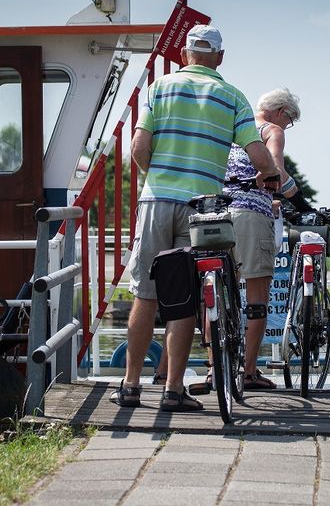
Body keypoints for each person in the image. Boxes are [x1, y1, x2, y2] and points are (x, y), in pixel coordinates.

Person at [111, 25, 279, 412]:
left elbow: (139, 146)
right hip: (201, 208)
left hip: (155, 199)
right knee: (184, 295)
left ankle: (131, 385)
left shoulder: (159, 88)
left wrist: (157, 176)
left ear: (186, 54)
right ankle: (173, 390)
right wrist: (268, 174)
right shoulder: (232, 97)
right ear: (219, 57)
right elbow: (257, 155)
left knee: (145, 293)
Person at [222, 88, 313, 391]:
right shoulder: (270, 130)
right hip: (250, 215)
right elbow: (275, 170)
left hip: (217, 214)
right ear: (279, 111)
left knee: (220, 293)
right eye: (290, 119)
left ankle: (216, 370)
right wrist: (302, 205)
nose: (288, 126)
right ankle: (248, 373)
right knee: (257, 296)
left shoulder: (231, 128)